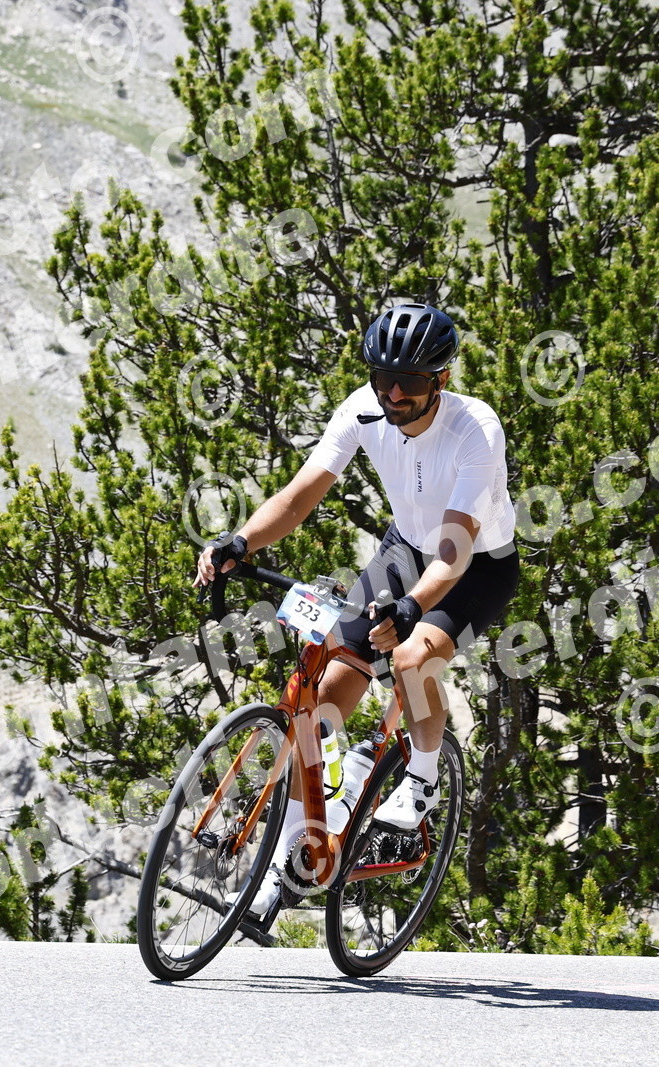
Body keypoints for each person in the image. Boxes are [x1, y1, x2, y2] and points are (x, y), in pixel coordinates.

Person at [195, 302, 520, 916]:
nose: (394, 394)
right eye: (383, 378)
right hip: (405, 549)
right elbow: (299, 496)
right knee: (316, 704)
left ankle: (422, 779)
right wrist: (241, 542)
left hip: (476, 562)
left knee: (412, 656)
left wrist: (411, 608)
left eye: (410, 381)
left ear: (441, 380)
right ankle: (289, 867)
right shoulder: (362, 409)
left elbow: (453, 552)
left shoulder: (476, 430)